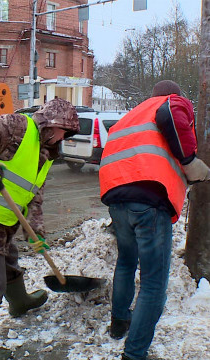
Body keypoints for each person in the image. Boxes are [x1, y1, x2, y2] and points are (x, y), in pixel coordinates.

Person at [0, 98, 79, 360]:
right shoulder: (19, 127)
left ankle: (19, 302)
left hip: (4, 220)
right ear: (50, 123)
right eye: (63, 131)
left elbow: (34, 197)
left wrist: (37, 235)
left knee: (9, 261)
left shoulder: (44, 154)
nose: (63, 138)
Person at [99, 80, 210, 360]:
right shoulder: (171, 102)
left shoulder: (131, 115)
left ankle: (119, 324)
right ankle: (134, 353)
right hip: (149, 200)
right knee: (153, 282)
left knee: (126, 262)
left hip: (116, 197)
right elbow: (170, 116)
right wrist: (189, 161)